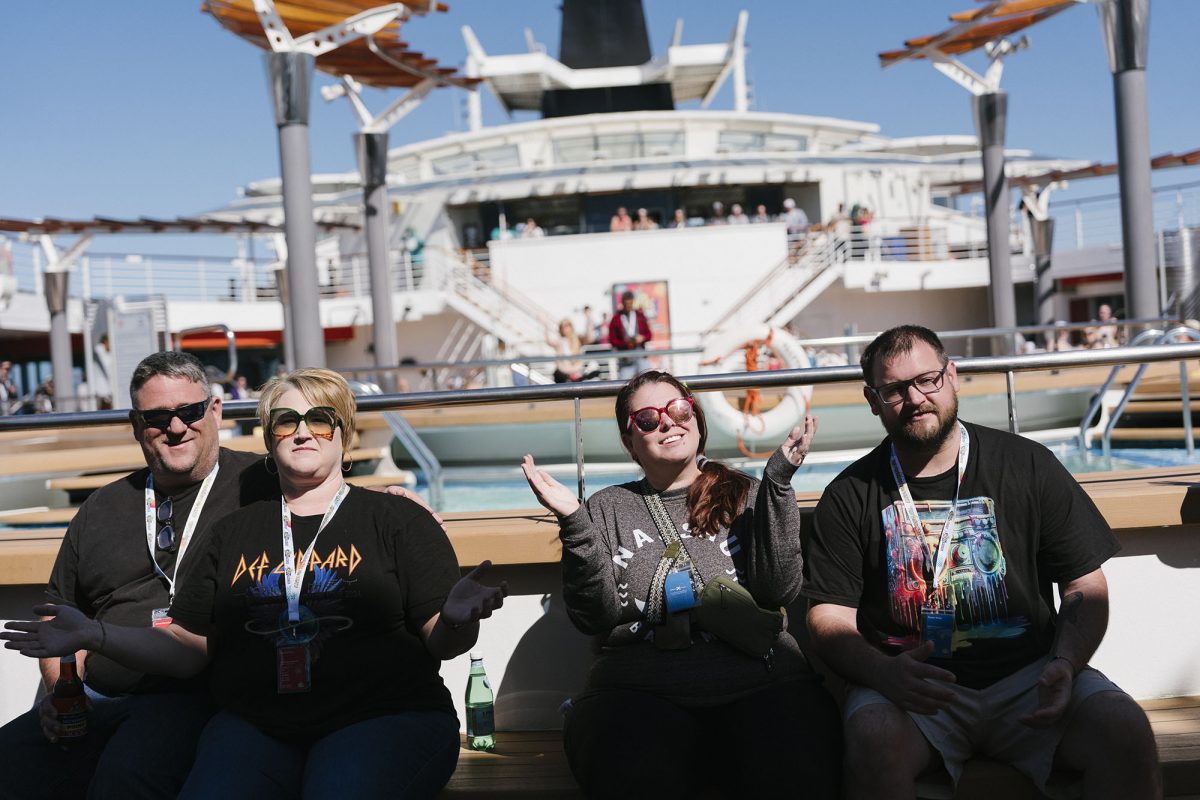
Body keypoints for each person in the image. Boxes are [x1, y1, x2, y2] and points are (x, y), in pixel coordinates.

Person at [4, 367, 508, 799]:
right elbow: (186, 645)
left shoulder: (397, 519)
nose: (303, 433)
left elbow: (443, 641)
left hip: (381, 717)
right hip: (259, 726)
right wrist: (95, 635)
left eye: (320, 420)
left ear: (344, 433)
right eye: (287, 421)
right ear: (269, 438)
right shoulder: (232, 532)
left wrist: (457, 620)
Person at [802, 325, 1160, 800]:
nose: (915, 398)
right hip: (908, 690)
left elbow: (1085, 585)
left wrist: (1066, 663)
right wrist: (883, 673)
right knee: (873, 737)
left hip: (1031, 677)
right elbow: (828, 616)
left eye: (927, 379)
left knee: (1124, 728)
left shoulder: (1028, 465)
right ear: (873, 400)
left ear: (951, 376)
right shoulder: (850, 494)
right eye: (895, 390)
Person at [521, 371, 840, 798]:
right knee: (632, 769)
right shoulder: (608, 507)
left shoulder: (746, 493)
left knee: (796, 764)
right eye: (648, 419)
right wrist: (574, 522)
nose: (668, 422)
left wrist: (779, 483)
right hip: (637, 693)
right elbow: (592, 616)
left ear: (696, 416)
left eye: (677, 409)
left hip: (761, 684)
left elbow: (778, 590)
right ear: (629, 442)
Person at [607, 290, 652, 379]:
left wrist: (642, 338)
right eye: (626, 304)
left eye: (630, 304)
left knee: (648, 379)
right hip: (626, 357)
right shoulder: (616, 318)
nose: (628, 306)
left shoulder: (640, 316)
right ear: (622, 303)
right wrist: (625, 343)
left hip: (640, 355)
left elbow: (649, 335)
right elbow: (612, 340)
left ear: (633, 302)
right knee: (624, 382)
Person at [547, 318, 597, 383]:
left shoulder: (578, 339)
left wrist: (588, 319)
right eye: (562, 327)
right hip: (564, 374)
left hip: (577, 374)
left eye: (567, 326)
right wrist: (546, 325)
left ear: (571, 327)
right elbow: (549, 342)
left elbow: (590, 339)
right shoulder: (560, 342)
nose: (565, 329)